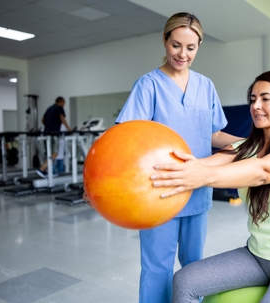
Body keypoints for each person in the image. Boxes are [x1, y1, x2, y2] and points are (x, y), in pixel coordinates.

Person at [84, 12, 241, 303]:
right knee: (157, 267)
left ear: (199, 46)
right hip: (157, 191)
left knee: (195, 266)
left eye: (191, 47)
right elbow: (124, 141)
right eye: (176, 45)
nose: (183, 54)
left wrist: (247, 143)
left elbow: (212, 135)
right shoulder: (148, 85)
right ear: (165, 41)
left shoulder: (205, 86)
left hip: (197, 188)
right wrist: (97, 180)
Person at [151, 70, 270, 303]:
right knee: (184, 281)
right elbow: (198, 165)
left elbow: (262, 171)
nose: (256, 105)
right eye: (253, 99)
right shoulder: (242, 147)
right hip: (256, 257)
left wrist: (203, 176)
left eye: (265, 98)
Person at [36, 96, 72, 178]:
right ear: (61, 102)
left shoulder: (49, 108)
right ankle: (42, 169)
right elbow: (62, 118)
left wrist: (48, 126)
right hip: (54, 133)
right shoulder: (59, 108)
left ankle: (45, 171)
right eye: (64, 103)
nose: (63, 105)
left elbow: (42, 119)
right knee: (54, 153)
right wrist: (69, 129)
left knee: (49, 152)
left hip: (47, 133)